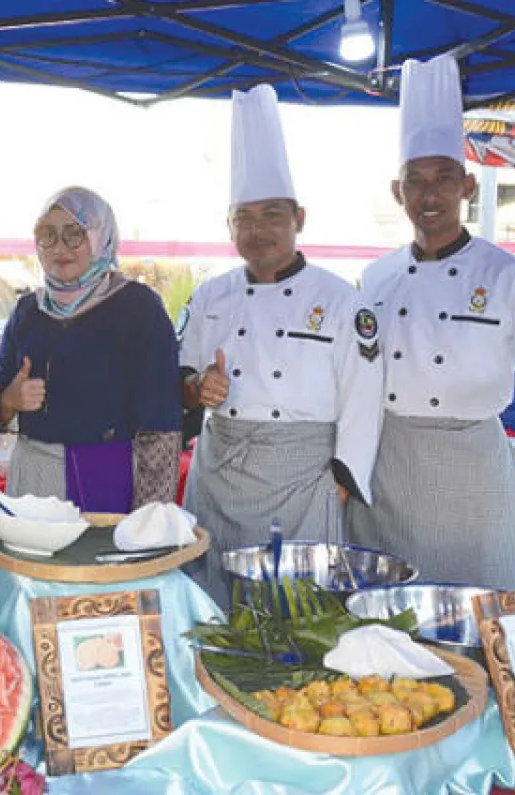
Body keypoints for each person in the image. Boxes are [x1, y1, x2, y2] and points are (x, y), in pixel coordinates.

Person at [348, 55, 515, 590]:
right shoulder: (375, 277)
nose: (429, 195)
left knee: (478, 618)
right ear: (398, 192)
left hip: (473, 473)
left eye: (444, 179)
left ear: (468, 188)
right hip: (390, 470)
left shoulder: (509, 276)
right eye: (416, 181)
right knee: (386, 621)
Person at [178, 85, 383, 605]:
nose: (257, 229)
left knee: (301, 612)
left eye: (272, 214)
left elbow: (364, 398)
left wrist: (340, 482)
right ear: (228, 225)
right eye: (243, 217)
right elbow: (178, 376)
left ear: (299, 219)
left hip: (301, 481)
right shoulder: (210, 295)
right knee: (216, 607)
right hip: (219, 469)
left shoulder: (340, 301)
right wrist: (197, 387)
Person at [0, 186, 180, 512]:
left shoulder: (138, 307)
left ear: (100, 237)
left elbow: (160, 418)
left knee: (102, 560)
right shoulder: (27, 311)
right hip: (34, 473)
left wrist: (151, 512)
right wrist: (8, 400)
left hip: (108, 472)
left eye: (74, 234)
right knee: (34, 561)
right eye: (47, 235)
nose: (59, 248)